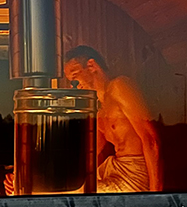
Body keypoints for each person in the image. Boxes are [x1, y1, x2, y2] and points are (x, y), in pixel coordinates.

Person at [62, 46, 162, 193]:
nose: (74, 85)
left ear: (91, 65)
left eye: (75, 76)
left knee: (66, 193)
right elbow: (91, 151)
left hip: (135, 173)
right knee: (55, 187)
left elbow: (151, 139)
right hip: (114, 167)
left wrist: (156, 195)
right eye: (71, 81)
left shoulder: (119, 86)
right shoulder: (99, 108)